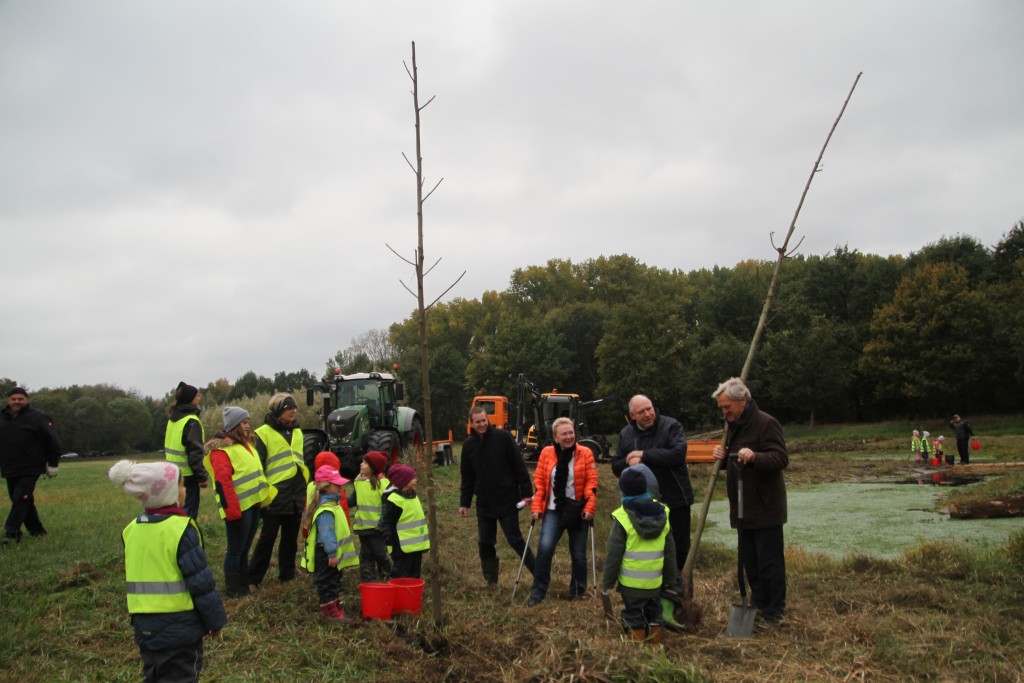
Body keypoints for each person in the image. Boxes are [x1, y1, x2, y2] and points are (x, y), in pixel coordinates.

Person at [109, 459, 226, 682]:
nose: (184, 491)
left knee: (153, 674)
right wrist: (215, 620)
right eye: (181, 486)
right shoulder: (181, 529)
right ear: (168, 493)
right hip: (179, 628)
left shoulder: (131, 530)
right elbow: (200, 582)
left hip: (144, 626)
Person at [712, 377, 789, 628]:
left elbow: (780, 458)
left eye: (727, 407)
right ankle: (758, 604)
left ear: (742, 401)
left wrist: (755, 456)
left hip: (765, 507)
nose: (725, 413)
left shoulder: (766, 423)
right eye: (722, 408)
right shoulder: (732, 427)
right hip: (742, 508)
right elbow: (735, 462)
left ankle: (775, 611)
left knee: (770, 564)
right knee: (751, 563)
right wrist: (722, 458)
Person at [611, 394, 693, 573]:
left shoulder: (671, 426)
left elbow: (677, 455)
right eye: (642, 412)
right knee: (653, 549)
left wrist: (644, 455)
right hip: (644, 504)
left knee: (679, 550)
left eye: (650, 409)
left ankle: (680, 592)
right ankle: (653, 591)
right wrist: (628, 461)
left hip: (675, 498)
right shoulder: (626, 434)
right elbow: (616, 466)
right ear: (632, 416)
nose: (648, 414)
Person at [601, 468, 680, 644]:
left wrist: (607, 582)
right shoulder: (663, 513)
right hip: (655, 582)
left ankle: (636, 650)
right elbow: (670, 552)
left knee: (633, 614)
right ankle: (654, 644)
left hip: (631, 584)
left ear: (622, 490)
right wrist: (671, 579)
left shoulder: (622, 517)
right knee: (654, 611)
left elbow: (613, 556)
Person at [459, 405, 535, 586]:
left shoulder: (503, 438)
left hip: (507, 499)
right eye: (478, 422)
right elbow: (467, 476)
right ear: (471, 423)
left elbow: (519, 467)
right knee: (485, 542)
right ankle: (491, 581)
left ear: (488, 420)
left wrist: (526, 493)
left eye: (484, 421)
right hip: (484, 503)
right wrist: (464, 503)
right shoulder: (469, 445)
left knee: (515, 539)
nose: (482, 424)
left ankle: (539, 575)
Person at [203, 407, 274, 597]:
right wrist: (232, 511)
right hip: (238, 509)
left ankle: (244, 586)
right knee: (235, 550)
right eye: (244, 422)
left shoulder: (246, 444)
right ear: (234, 425)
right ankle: (234, 589)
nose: (248, 425)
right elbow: (222, 482)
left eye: (247, 421)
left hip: (252, 505)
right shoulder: (221, 451)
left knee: (244, 549)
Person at [527, 417, 598, 607]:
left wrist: (589, 507)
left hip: (578, 508)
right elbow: (540, 483)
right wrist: (536, 508)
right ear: (555, 437)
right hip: (553, 509)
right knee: (545, 549)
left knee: (578, 553)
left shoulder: (585, 453)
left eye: (571, 433)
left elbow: (592, 484)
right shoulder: (547, 453)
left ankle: (577, 591)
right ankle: (538, 592)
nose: (568, 437)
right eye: (564, 434)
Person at [249, 393, 309, 586]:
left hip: (295, 494)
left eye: (294, 407)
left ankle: (287, 575)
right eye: (288, 407)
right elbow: (257, 468)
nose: (293, 410)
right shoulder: (262, 434)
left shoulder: (298, 432)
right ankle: (253, 578)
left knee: (291, 539)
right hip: (274, 495)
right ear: (277, 410)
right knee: (267, 539)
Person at [0, 387, 61, 544]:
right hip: (9, 467)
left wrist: (53, 464)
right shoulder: (2, 418)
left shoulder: (38, 417)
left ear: (26, 400)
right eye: (14, 399)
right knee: (21, 500)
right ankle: (37, 531)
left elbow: (53, 440)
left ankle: (11, 533)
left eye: (21, 399)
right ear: (9, 400)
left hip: (31, 467)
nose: (17, 402)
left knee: (21, 496)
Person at [301, 465, 357, 623]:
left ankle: (334, 604)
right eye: (337, 485)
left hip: (330, 552)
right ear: (327, 487)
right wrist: (332, 553)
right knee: (326, 581)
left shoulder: (333, 505)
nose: (341, 487)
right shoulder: (326, 509)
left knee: (333, 579)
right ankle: (329, 610)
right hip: (326, 552)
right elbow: (327, 534)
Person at [164, 381, 207, 520]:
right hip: (188, 477)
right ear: (190, 398)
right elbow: (195, 452)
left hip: (172, 474)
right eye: (197, 395)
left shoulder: (173, 419)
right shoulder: (191, 421)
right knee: (188, 516)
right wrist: (201, 476)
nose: (199, 397)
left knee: (175, 512)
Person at [347, 450, 393, 582]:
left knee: (380, 554)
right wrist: (342, 502)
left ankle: (390, 575)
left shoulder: (383, 485)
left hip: (377, 529)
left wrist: (383, 524)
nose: (361, 464)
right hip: (363, 528)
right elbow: (354, 499)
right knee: (365, 555)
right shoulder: (359, 482)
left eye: (365, 463)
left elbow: (387, 507)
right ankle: (368, 581)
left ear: (373, 468)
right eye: (362, 461)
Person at [380, 463, 429, 579]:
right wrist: (388, 539)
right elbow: (387, 522)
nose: (416, 480)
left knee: (415, 575)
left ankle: (411, 595)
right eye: (412, 479)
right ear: (403, 482)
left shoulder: (413, 496)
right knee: (401, 575)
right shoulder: (395, 501)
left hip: (416, 547)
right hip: (401, 549)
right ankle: (398, 595)